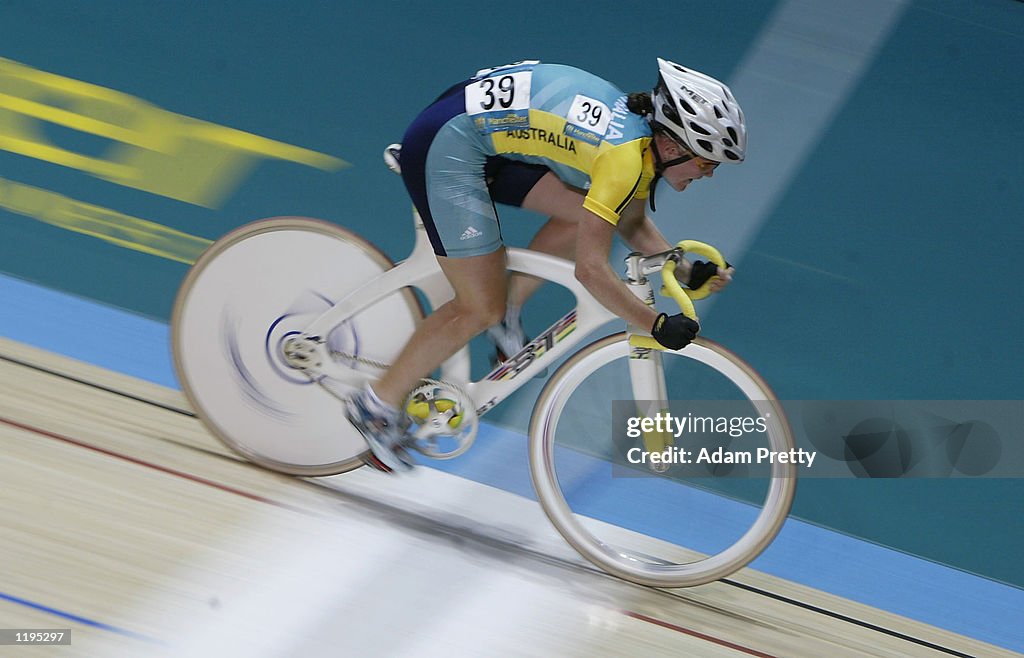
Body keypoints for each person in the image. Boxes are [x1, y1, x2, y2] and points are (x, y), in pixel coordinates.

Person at [347, 58, 745, 472]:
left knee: (581, 218)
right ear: (675, 145)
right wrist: (655, 323)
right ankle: (375, 404)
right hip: (448, 144)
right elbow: (590, 270)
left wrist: (680, 268)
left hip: (482, 131)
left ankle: (509, 314)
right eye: (706, 162)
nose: (710, 173)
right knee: (479, 306)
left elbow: (627, 218)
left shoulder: (642, 145)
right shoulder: (624, 158)